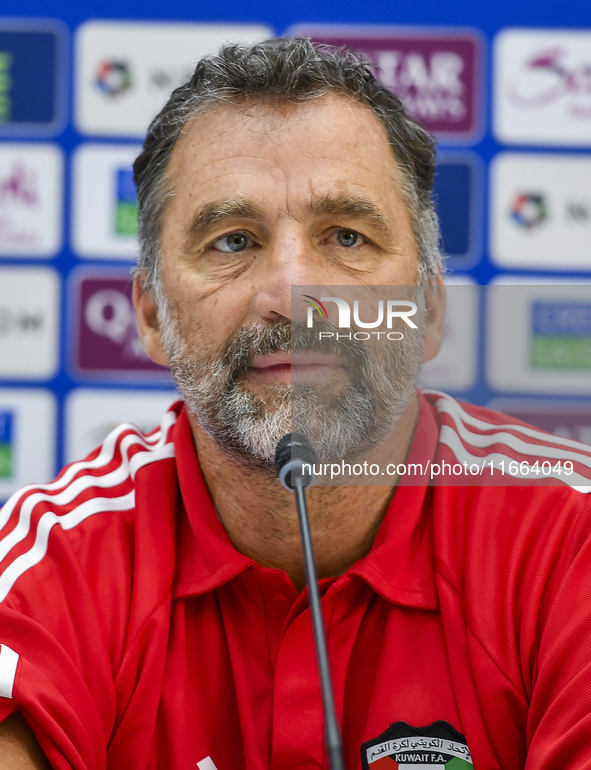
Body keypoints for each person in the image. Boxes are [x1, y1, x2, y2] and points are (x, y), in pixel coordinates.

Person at [0, 37, 590, 770]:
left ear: (429, 309)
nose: (292, 296)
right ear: (151, 314)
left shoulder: (571, 542)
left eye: (346, 237)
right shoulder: (49, 564)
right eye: (231, 242)